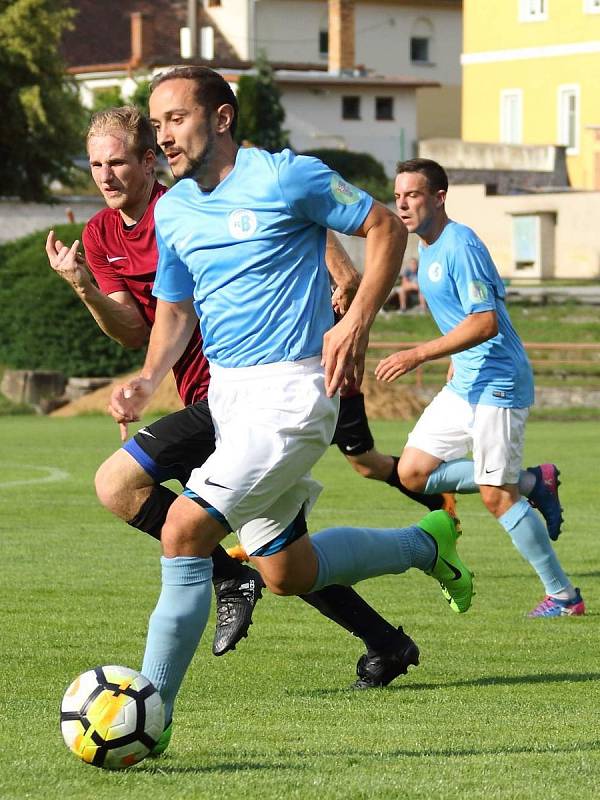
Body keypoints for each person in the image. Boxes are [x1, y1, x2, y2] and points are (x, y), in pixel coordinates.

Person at [107, 67, 474, 751]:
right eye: (157, 125)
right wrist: (148, 375)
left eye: (177, 119)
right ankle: (428, 544)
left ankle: (146, 715)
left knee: (184, 530)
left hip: (294, 396)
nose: (165, 137)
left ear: (220, 119)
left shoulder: (285, 177)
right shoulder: (176, 210)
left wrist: (356, 319)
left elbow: (381, 229)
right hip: (231, 400)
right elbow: (177, 308)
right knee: (287, 571)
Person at [376, 157, 584, 619]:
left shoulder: (460, 244)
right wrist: (453, 356)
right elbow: (465, 318)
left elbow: (486, 321)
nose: (403, 204)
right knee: (412, 472)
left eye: (413, 195)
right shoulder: (428, 249)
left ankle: (565, 597)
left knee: (496, 494)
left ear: (439, 197)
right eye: (398, 196)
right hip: (466, 379)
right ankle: (534, 481)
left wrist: (418, 354)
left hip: (498, 382)